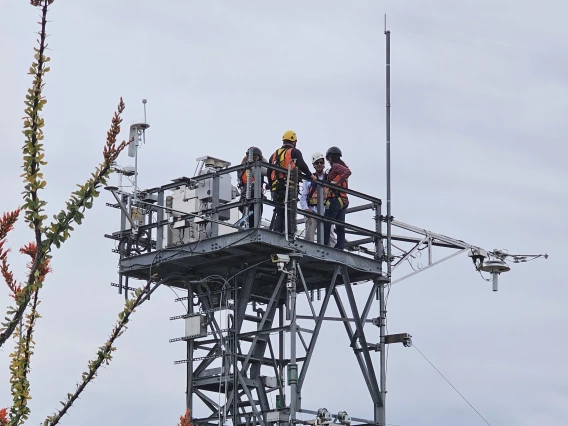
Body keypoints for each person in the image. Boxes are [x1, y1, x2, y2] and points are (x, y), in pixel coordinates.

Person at [268, 130, 314, 236]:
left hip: (276, 188)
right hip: (289, 187)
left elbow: (269, 171)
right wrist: (310, 175)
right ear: (294, 141)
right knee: (290, 211)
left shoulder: (274, 154)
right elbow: (301, 164)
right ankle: (289, 235)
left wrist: (271, 187)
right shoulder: (294, 152)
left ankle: (277, 233)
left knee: (279, 212)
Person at [299, 152, 336, 245]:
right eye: (317, 163)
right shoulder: (309, 179)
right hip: (312, 211)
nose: (319, 164)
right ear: (313, 165)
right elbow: (303, 197)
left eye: (321, 162)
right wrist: (306, 209)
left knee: (330, 237)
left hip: (326, 211)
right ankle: (308, 251)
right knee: (309, 236)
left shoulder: (329, 178)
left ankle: (333, 256)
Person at [323, 146, 351, 250]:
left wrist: (336, 183)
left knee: (326, 223)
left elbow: (348, 172)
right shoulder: (339, 166)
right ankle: (340, 246)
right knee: (340, 226)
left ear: (330, 157)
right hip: (342, 200)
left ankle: (324, 246)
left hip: (335, 199)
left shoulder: (336, 166)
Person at [237, 147, 266, 229]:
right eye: (256, 157)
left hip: (244, 196)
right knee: (254, 219)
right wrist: (263, 159)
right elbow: (269, 170)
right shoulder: (254, 168)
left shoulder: (242, 168)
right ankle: (251, 231)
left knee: (247, 218)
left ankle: (245, 229)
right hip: (253, 195)